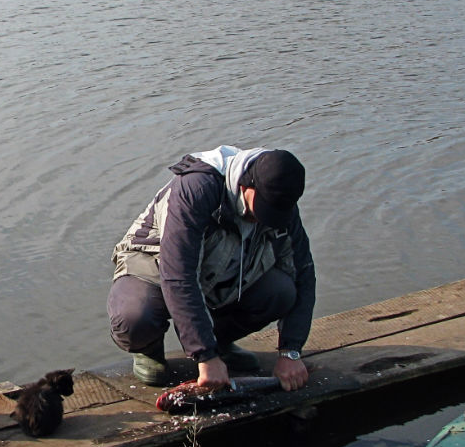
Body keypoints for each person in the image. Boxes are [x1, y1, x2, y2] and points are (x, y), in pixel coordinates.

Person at [107, 145, 315, 392]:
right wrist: (205, 355)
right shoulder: (197, 188)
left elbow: (303, 273)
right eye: (262, 210)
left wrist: (290, 352)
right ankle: (148, 350)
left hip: (223, 267)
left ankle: (221, 342)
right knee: (134, 318)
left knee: (281, 291)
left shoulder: (282, 201)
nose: (263, 219)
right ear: (246, 187)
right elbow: (178, 274)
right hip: (154, 261)